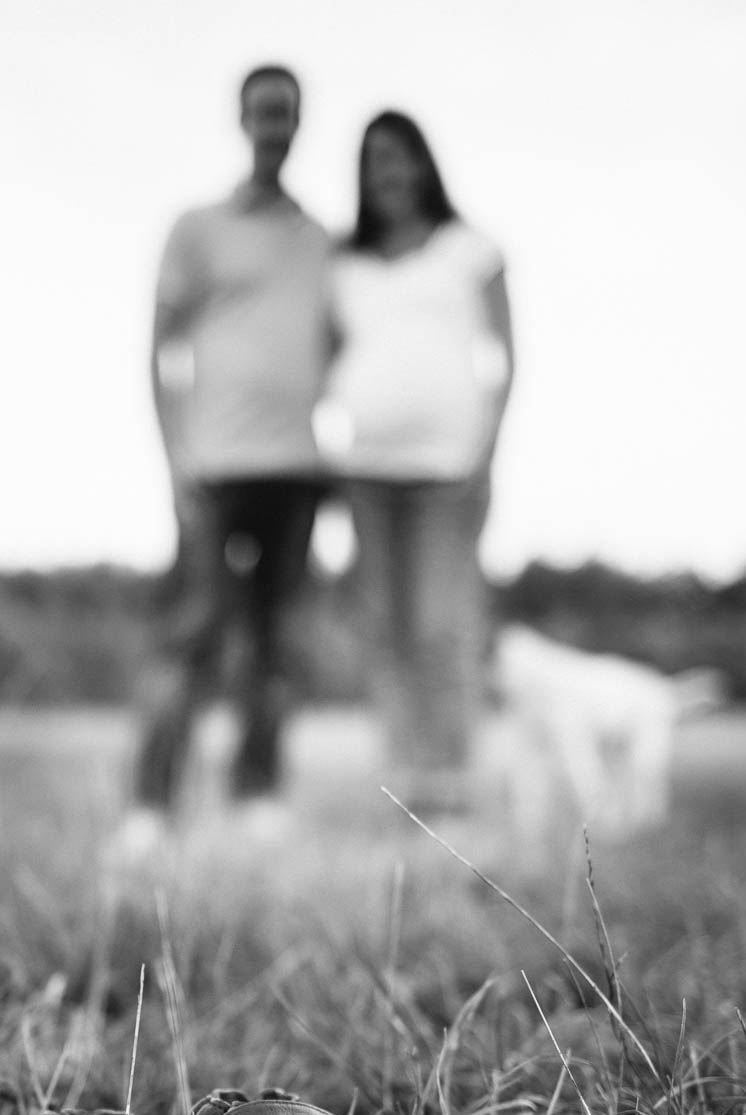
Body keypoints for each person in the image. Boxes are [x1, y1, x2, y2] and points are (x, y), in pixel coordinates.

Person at [117, 65, 330, 853]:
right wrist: (175, 462)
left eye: (286, 113)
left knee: (277, 645)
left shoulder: (320, 240)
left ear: (300, 123)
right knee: (190, 638)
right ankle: (149, 806)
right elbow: (157, 349)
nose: (274, 125)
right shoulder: (196, 227)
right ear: (242, 119)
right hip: (213, 468)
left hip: (300, 473)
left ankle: (258, 798)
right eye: (263, 111)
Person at [316, 110, 514, 810]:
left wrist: (486, 453)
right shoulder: (343, 260)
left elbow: (505, 358)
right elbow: (327, 354)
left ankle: (454, 784)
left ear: (424, 162)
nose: (388, 171)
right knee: (384, 629)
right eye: (374, 159)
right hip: (366, 468)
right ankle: (403, 786)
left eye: (398, 156)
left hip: (447, 469)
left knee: (440, 624)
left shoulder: (469, 248)